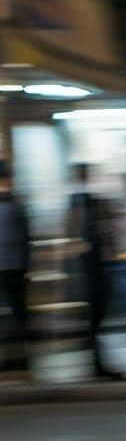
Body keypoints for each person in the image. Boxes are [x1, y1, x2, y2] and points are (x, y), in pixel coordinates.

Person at [66, 163, 123, 379]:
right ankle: (96, 362)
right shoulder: (78, 204)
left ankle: (98, 360)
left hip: (97, 265)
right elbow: (75, 238)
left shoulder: (92, 202)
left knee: (100, 314)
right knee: (95, 315)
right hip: (88, 269)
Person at [0, 160, 31, 373]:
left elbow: (25, 238)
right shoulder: (16, 205)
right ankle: (18, 356)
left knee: (18, 315)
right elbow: (25, 238)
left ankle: (16, 357)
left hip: (13, 268)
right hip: (14, 268)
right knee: (18, 315)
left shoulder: (15, 204)